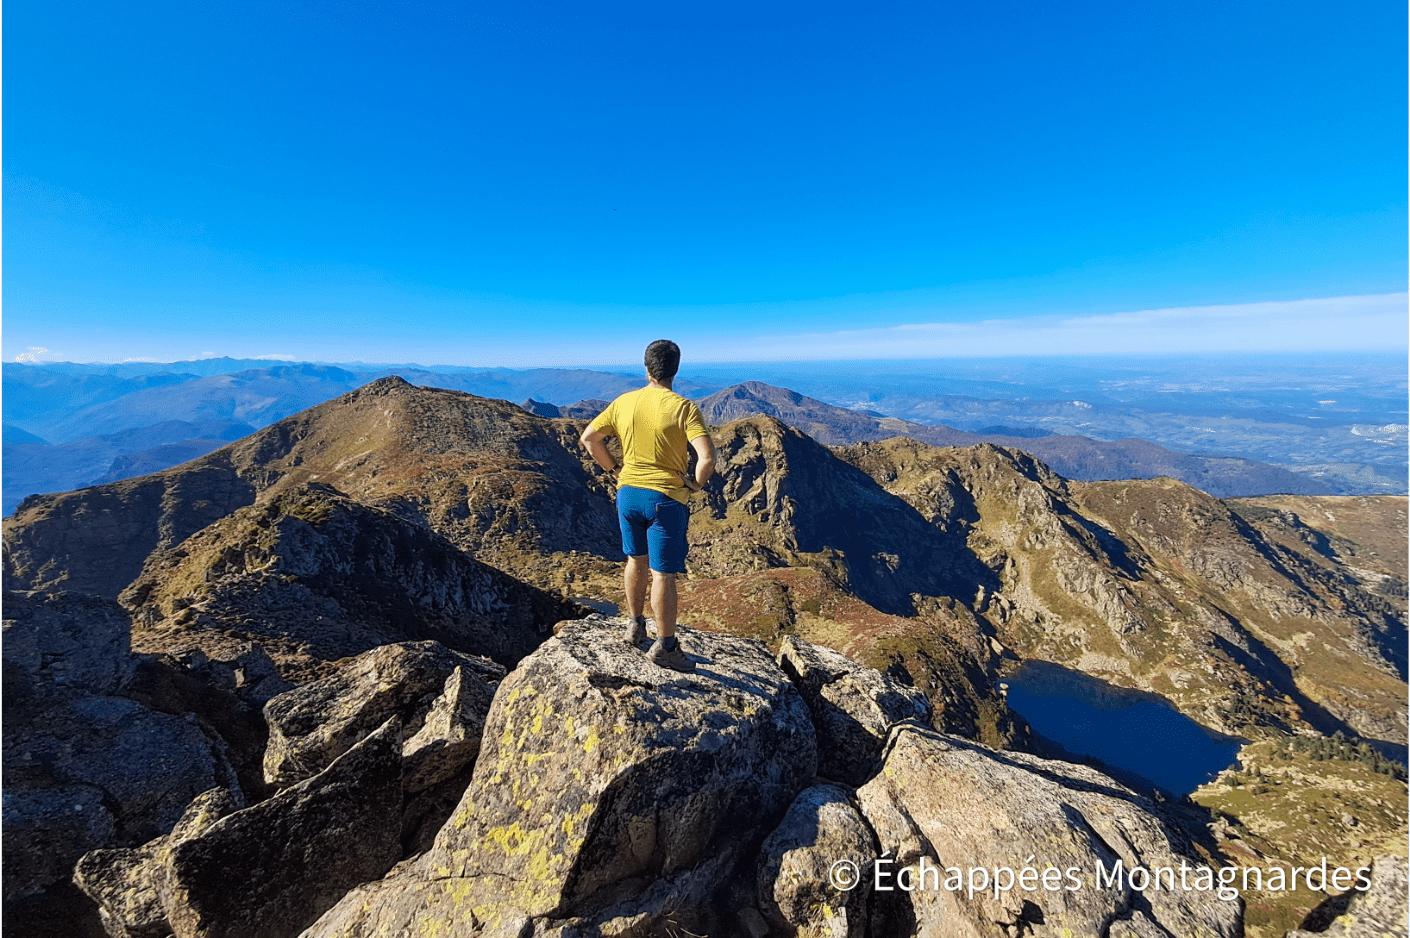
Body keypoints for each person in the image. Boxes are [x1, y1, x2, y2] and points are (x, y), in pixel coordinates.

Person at [580, 340, 716, 671]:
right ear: (676, 369)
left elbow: (589, 438)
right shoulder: (683, 408)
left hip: (628, 494)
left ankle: (634, 624)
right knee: (663, 574)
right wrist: (696, 483)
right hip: (664, 500)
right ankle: (666, 646)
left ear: (646, 368)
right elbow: (707, 457)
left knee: (635, 561)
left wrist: (614, 469)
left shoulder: (624, 402)